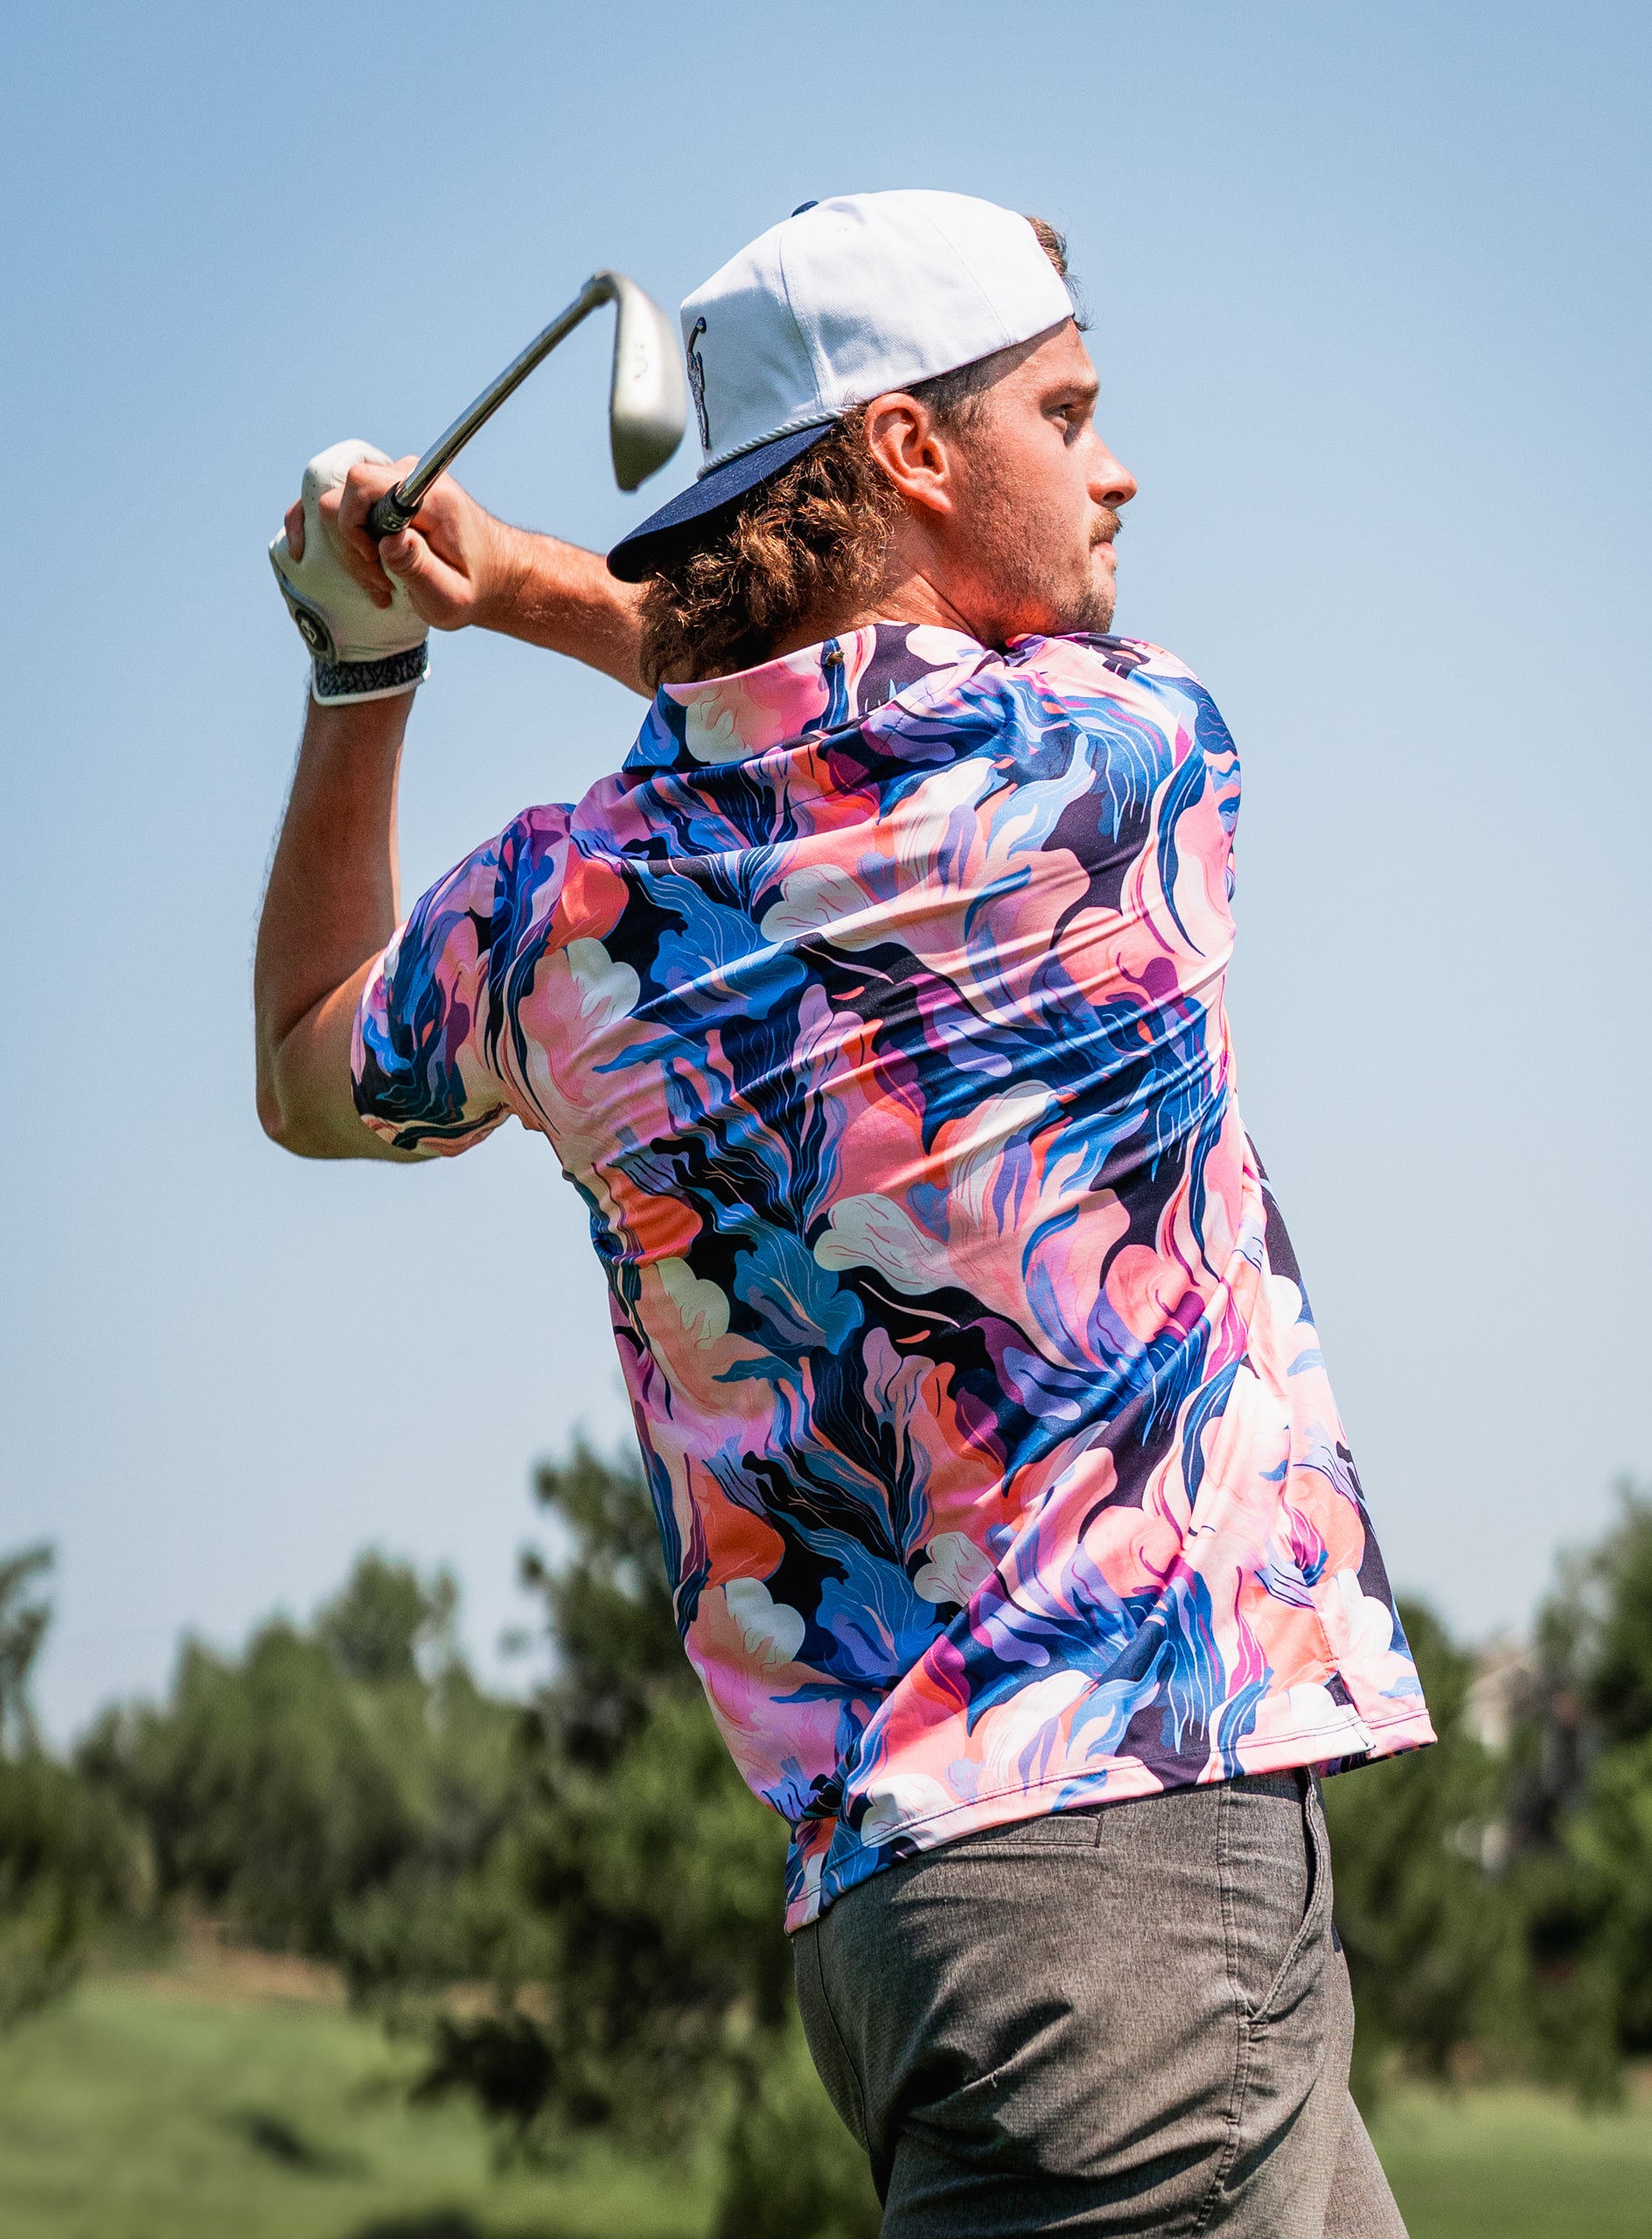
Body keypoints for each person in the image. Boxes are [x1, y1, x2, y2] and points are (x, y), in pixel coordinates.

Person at [257, 191, 1433, 2236]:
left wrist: (369, 667)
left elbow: (305, 1058)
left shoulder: (560, 908)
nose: (1116, 462)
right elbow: (821, 708)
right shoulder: (1121, 746)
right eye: (1066, 411)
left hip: (924, 1911)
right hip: (1130, 1899)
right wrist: (525, 583)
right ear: (907, 447)